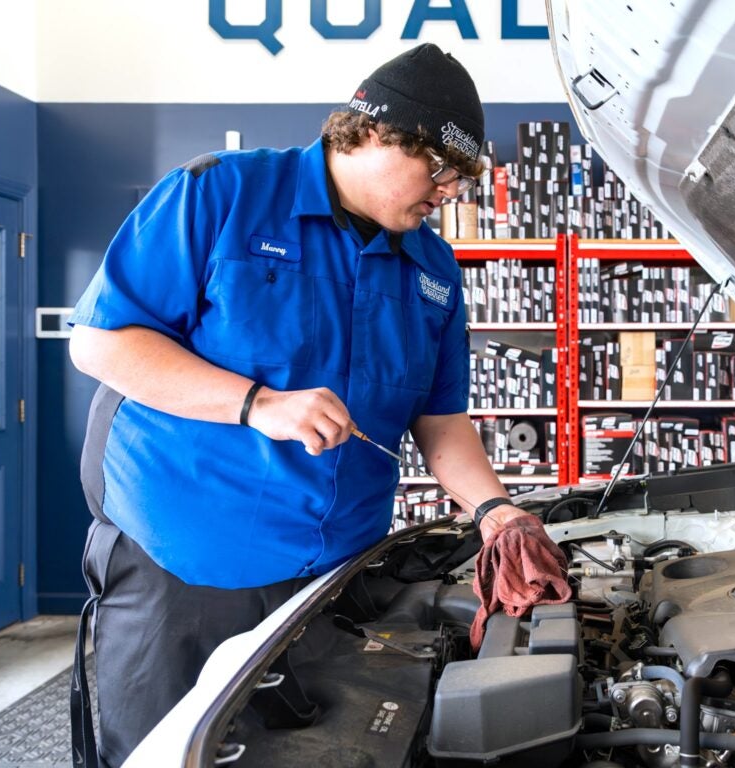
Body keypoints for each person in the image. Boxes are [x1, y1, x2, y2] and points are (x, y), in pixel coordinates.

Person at [68, 43, 551, 767]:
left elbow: (441, 421)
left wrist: (496, 511)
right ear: (378, 136)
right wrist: (256, 403)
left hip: (334, 580)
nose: (450, 193)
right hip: (183, 569)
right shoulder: (219, 195)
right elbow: (101, 344)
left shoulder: (433, 269)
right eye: (441, 172)